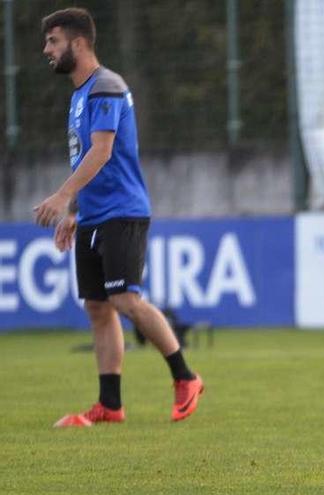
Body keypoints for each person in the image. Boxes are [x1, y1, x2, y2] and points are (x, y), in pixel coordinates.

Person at [35, 8, 204, 427]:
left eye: (53, 41)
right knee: (98, 307)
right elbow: (86, 159)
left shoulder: (106, 87)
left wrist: (62, 196)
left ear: (78, 43)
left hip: (123, 213)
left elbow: (102, 152)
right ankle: (110, 405)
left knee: (125, 299)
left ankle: (186, 377)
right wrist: (75, 212)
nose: (46, 50)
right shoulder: (79, 95)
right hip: (93, 216)